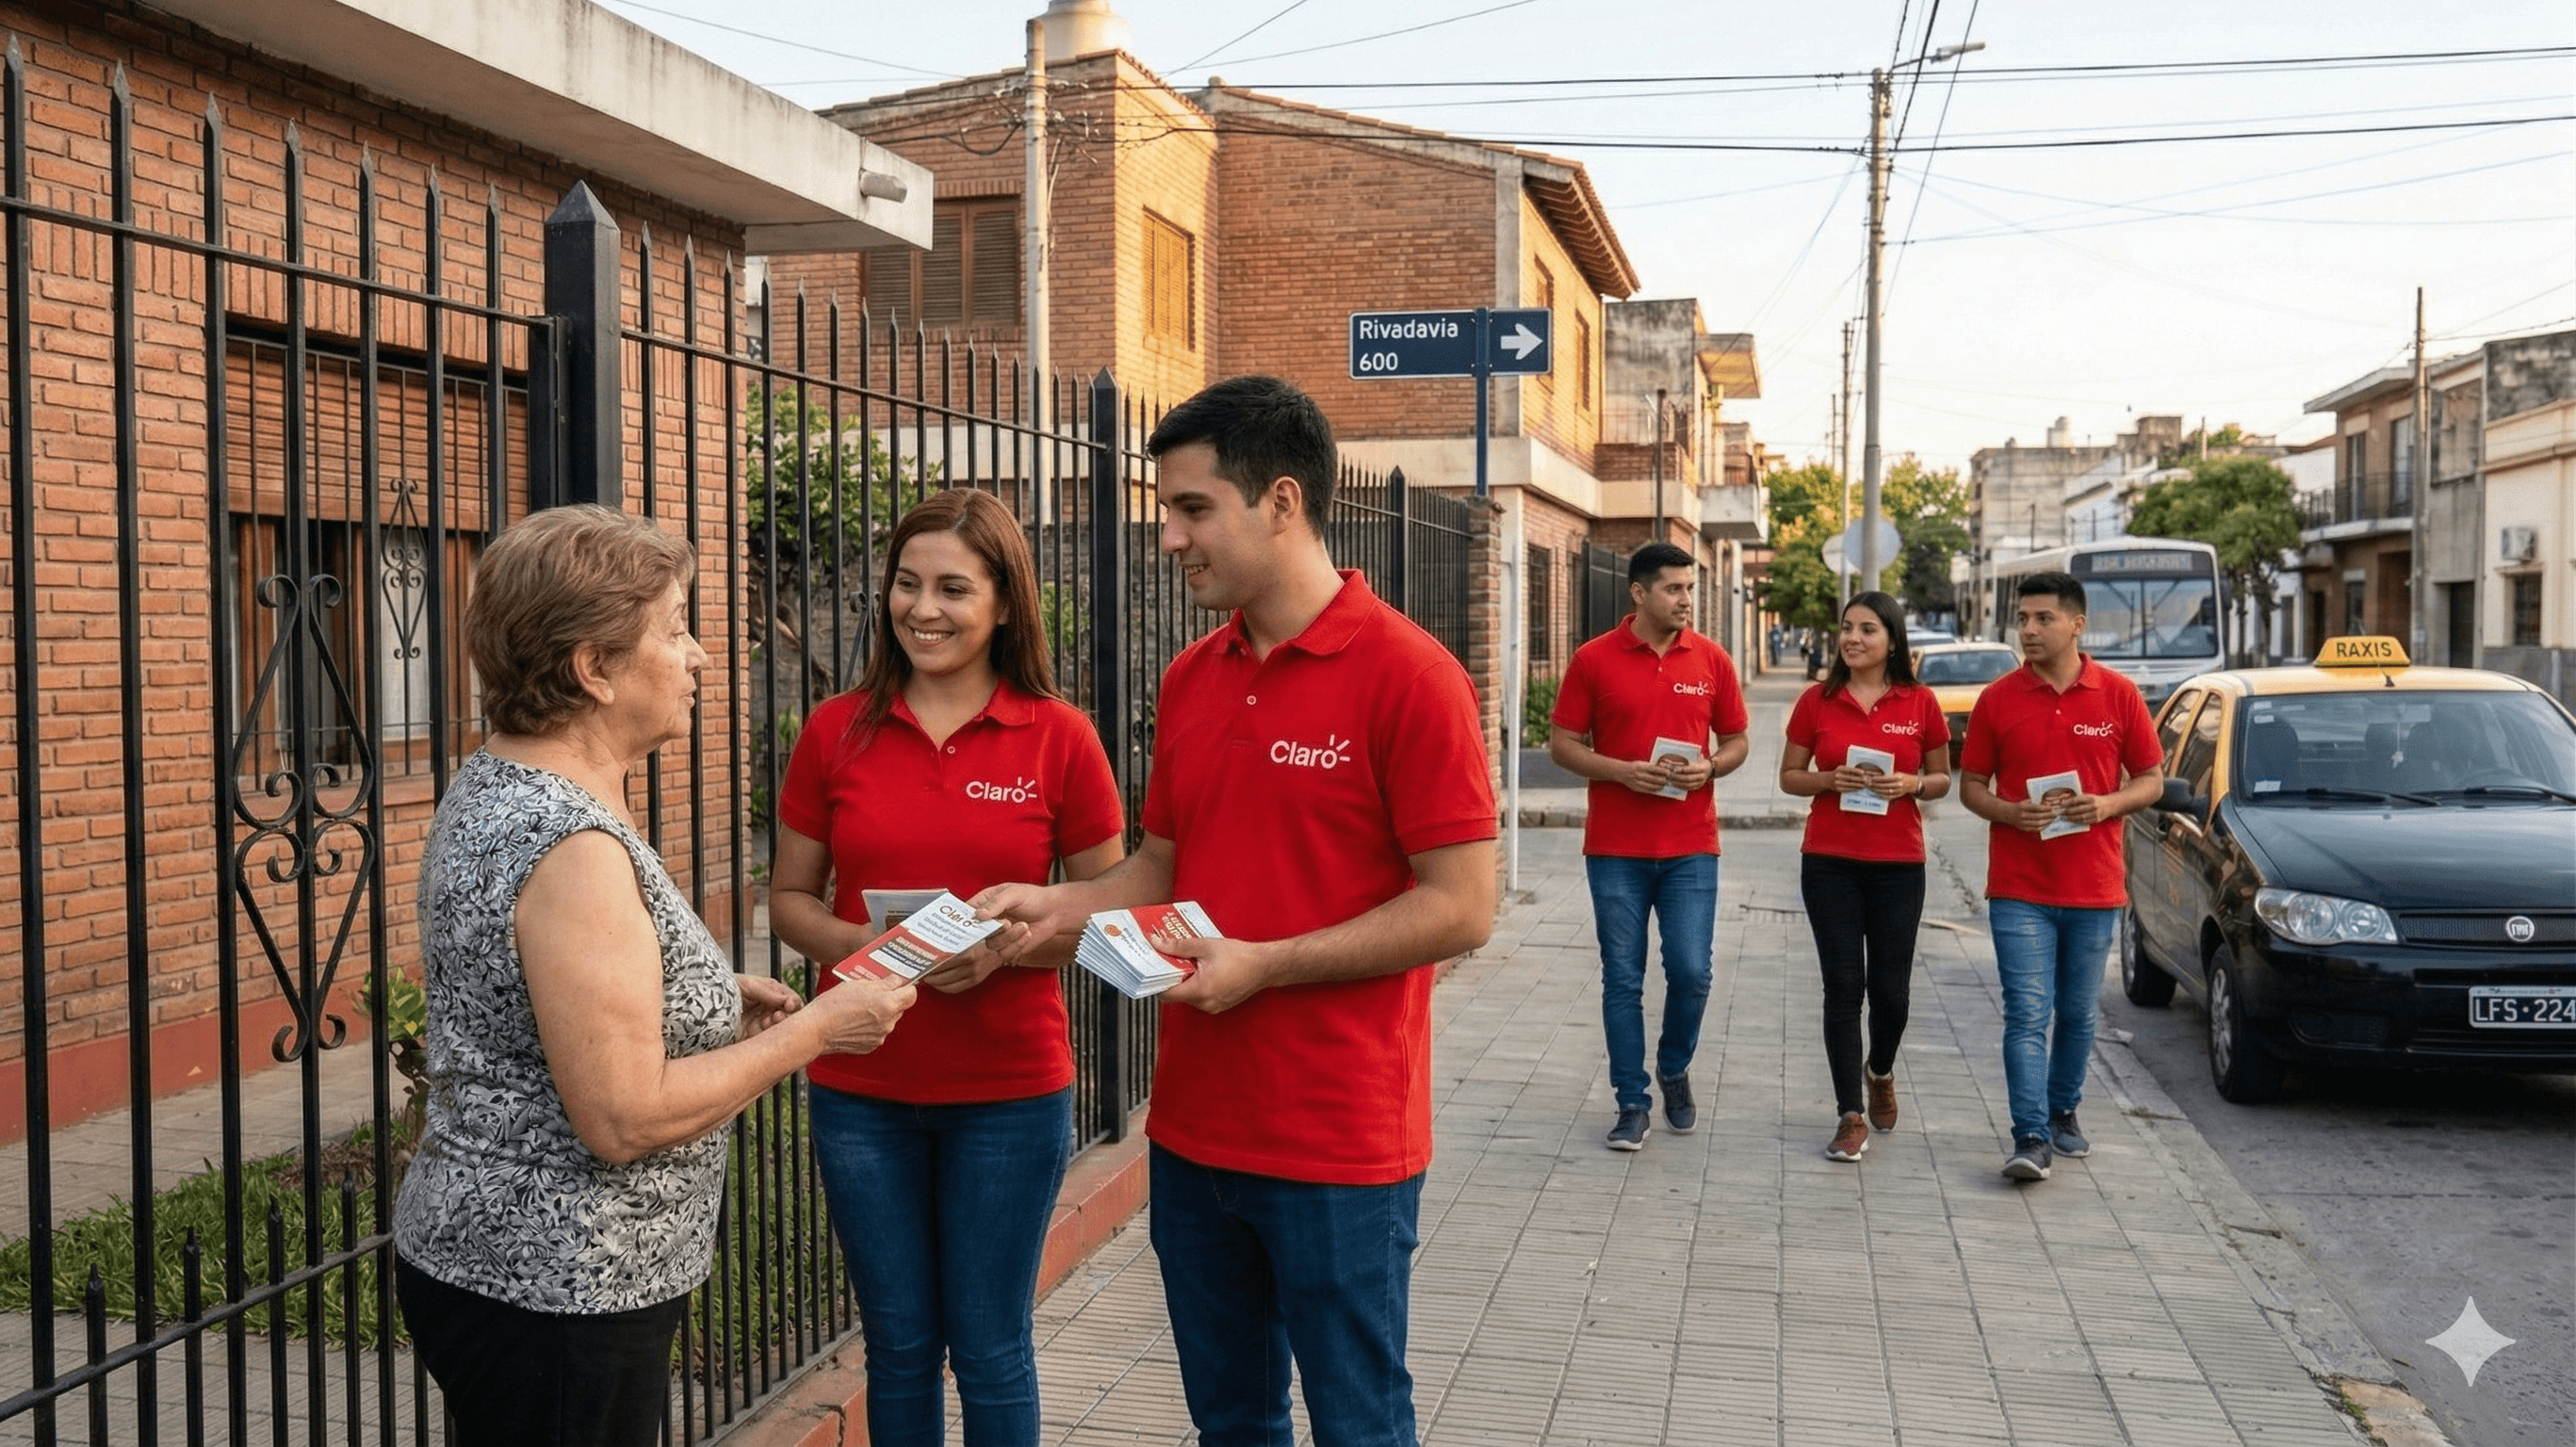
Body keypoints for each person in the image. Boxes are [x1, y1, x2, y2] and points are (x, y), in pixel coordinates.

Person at [974, 375, 1495, 1447]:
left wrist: (1268, 963)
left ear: (1283, 502)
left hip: (1339, 1141)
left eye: (1191, 508)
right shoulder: (1192, 676)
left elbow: (1461, 908)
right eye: (1167, 509)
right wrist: (1055, 902)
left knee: (1359, 1423)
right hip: (1197, 1133)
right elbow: (1159, 870)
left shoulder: (1411, 676)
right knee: (1232, 1426)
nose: (1167, 536)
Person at [393, 505, 917, 1447]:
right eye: (674, 628)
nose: (700, 656)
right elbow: (622, 1118)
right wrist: (818, 1031)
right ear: (593, 667)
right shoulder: (571, 844)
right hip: (558, 1289)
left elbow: (544, 997)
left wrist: (711, 1000)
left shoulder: (507, 783)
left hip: (503, 1269)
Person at [769, 488, 1125, 1447]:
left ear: (1005, 603)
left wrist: (1009, 948)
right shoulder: (834, 730)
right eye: (907, 583)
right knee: (897, 1341)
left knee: (989, 1343)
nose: (923, 608)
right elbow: (790, 900)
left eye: (953, 588)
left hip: (1009, 1091)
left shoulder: (1060, 738)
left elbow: (1116, 911)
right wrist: (857, 948)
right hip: (859, 1086)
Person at [1958, 571, 2163, 1182]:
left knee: (2077, 1013)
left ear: (2077, 623)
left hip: (2095, 888)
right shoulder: (1998, 699)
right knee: (2027, 1012)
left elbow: (2150, 779)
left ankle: (2064, 1109)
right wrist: (2009, 811)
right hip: (2019, 886)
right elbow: (1971, 787)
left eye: (2042, 618)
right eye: (2022, 618)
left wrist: (2105, 805)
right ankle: (2030, 1135)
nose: (2028, 629)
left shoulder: (2119, 695)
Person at [1546, 542, 1752, 1150]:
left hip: (1691, 846)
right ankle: (1631, 1102)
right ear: (1639, 593)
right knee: (1622, 979)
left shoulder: (1712, 659)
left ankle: (1673, 1066)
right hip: (1615, 848)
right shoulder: (1593, 659)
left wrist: (1711, 767)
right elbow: (1562, 743)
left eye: (1690, 588)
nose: (1686, 599)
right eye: (1674, 589)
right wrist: (1618, 770)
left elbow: (1738, 739)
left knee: (1692, 972)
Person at [1777, 593, 1951, 1162]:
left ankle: (1880, 1070)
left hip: (1900, 864)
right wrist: (1830, 780)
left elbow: (1943, 778)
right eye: (1847, 628)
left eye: (1867, 629)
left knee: (1892, 994)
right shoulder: (1817, 701)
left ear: (1892, 640)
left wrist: (1912, 786)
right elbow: (1789, 777)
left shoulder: (1920, 702)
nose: (1853, 638)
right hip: (1829, 860)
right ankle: (1849, 1114)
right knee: (1842, 988)